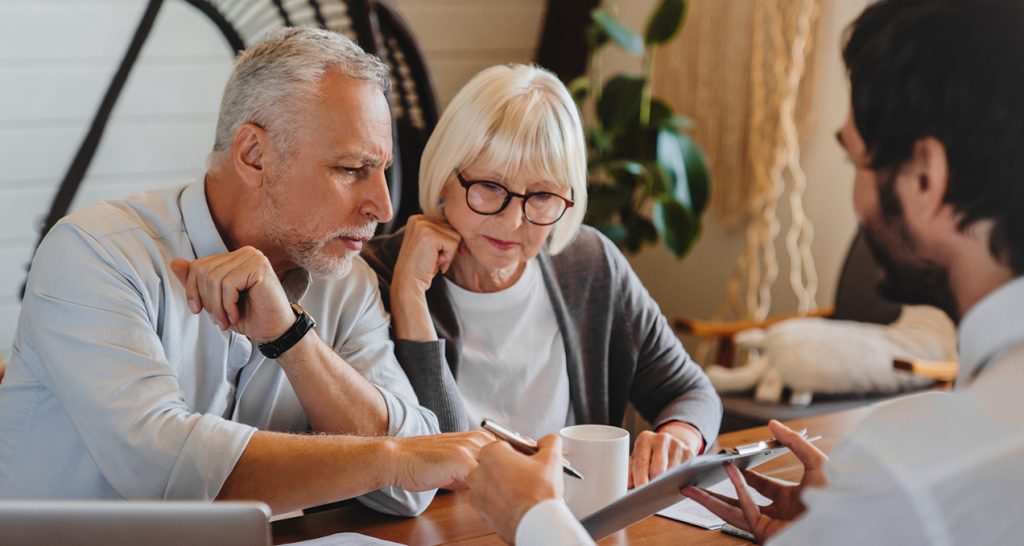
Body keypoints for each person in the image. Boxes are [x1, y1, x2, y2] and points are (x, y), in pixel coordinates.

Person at [467, 0, 1024, 544]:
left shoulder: (909, 469)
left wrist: (535, 519)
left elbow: (689, 389)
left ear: (925, 177)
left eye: (856, 161)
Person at [0, 27, 492, 516]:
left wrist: (293, 340)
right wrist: (389, 459)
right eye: (350, 169)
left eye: (381, 170)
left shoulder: (348, 283)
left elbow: (412, 489)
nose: (382, 207)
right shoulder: (94, 254)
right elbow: (163, 473)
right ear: (254, 155)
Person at [361, 64, 722, 487]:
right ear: (445, 175)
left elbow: (692, 393)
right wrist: (409, 299)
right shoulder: (377, 274)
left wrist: (679, 435)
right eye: (490, 187)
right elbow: (431, 458)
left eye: (543, 195)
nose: (513, 221)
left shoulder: (588, 263)